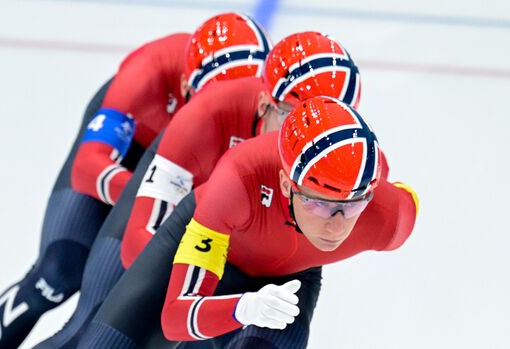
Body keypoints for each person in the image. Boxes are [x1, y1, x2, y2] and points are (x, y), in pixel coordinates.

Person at [31, 31, 360, 349]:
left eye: (327, 123)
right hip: (182, 229)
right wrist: (193, 298)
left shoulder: (341, 162)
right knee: (84, 322)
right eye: (290, 115)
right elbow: (137, 245)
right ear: (264, 103)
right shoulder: (207, 113)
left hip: (223, 243)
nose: (303, 135)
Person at [0, 12, 270, 349]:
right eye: (213, 105)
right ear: (186, 85)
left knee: (115, 324)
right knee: (58, 271)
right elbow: (87, 167)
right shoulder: (150, 71)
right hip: (129, 157)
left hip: (176, 178)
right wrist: (150, 198)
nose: (224, 112)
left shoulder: (261, 111)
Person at [75, 96, 418, 349]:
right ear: (286, 185)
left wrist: (350, 204)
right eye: (320, 205)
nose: (337, 227)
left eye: (355, 205)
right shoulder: (237, 181)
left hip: (291, 280)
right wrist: (242, 306)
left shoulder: (390, 217)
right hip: (218, 248)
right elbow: (175, 317)